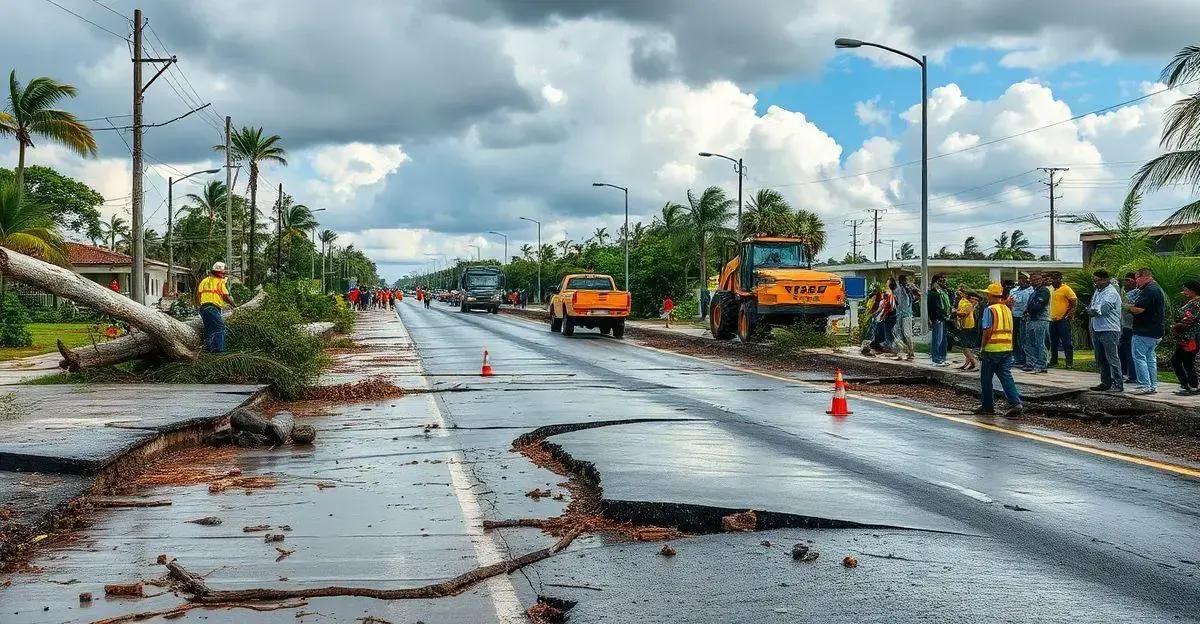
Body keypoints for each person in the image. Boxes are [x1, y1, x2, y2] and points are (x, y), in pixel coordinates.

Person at [975, 282, 1023, 417]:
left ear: (990, 295)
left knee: (986, 378)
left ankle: (988, 406)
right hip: (1007, 348)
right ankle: (1016, 403)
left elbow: (987, 330)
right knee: (1006, 376)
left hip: (992, 349)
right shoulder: (1006, 309)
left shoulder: (990, 309)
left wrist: (982, 348)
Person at [1126, 267, 1166, 394]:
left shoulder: (1149, 290)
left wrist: (1127, 307)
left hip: (1144, 330)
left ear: (1144, 277)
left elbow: (1139, 309)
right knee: (1150, 358)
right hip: (1155, 330)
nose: (1135, 281)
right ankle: (1152, 384)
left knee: (1139, 357)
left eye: (1137, 278)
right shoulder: (1156, 288)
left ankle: (1145, 385)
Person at [1086, 269, 1124, 392]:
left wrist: (1092, 311)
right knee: (1101, 358)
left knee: (1112, 357)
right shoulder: (1098, 291)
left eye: (1097, 281)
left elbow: (1103, 310)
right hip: (1097, 328)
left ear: (1106, 280)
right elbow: (1093, 306)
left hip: (1109, 329)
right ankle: (1105, 382)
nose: (1095, 283)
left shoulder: (1111, 292)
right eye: (1094, 281)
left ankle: (1118, 384)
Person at [197, 262, 236, 353]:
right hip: (212, 308)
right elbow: (226, 296)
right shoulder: (219, 282)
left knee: (210, 330)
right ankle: (218, 353)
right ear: (219, 272)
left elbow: (199, 296)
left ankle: (208, 351)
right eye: (223, 272)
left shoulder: (204, 281)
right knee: (220, 328)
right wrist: (234, 305)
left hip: (203, 309)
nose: (224, 274)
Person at [1169, 280, 1200, 395]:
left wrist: (1175, 326)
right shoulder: (1193, 302)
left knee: (1186, 361)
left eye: (1185, 289)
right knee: (1178, 360)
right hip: (1186, 337)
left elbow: (1189, 319)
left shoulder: (1196, 303)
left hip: (1191, 337)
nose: (1184, 292)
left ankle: (1193, 386)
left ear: (1192, 290)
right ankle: (1186, 384)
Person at [1022, 273, 1051, 374]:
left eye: (1037, 280)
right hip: (1032, 319)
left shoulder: (1044, 291)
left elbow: (1038, 305)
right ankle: (1033, 363)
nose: (1035, 282)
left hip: (1040, 320)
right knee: (1030, 343)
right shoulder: (1034, 292)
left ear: (1041, 280)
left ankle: (1042, 365)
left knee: (1040, 343)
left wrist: (1028, 310)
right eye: (1033, 280)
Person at [1047, 271, 1077, 368]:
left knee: (1066, 342)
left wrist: (1070, 314)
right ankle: (1054, 361)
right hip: (1052, 320)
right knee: (1053, 342)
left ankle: (1069, 363)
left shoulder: (1066, 289)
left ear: (1060, 279)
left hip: (1063, 320)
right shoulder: (1051, 289)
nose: (1054, 281)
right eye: (1052, 279)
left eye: (1056, 279)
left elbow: (1074, 301)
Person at [927, 274, 952, 367]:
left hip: (944, 317)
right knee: (937, 338)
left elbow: (949, 302)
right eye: (940, 281)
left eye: (943, 281)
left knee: (943, 339)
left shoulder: (943, 292)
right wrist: (930, 319)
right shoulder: (932, 293)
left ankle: (942, 357)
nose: (943, 283)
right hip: (937, 318)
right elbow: (930, 308)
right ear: (935, 282)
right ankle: (936, 359)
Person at [953, 286, 980, 371]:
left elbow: (963, 314)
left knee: (965, 347)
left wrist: (955, 312)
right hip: (963, 325)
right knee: (966, 346)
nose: (957, 294)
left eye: (960, 292)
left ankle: (974, 363)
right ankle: (968, 364)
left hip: (968, 326)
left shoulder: (968, 303)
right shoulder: (962, 301)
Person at [1009, 273, 1032, 368]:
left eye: (1023, 279)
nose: (1021, 281)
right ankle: (1017, 358)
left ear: (1027, 280)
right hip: (1013, 317)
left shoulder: (1031, 291)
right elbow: (1009, 302)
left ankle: (1027, 359)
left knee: (1024, 339)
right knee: (1014, 339)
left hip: (1025, 318)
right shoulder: (1013, 291)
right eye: (1019, 279)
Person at [1119, 272, 1139, 383]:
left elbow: (1135, 307)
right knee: (1122, 350)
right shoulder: (1125, 292)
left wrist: (1123, 305)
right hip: (1125, 326)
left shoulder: (1135, 293)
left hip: (1131, 327)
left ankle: (1133, 376)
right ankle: (1124, 373)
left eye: (1127, 280)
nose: (1125, 283)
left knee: (1130, 351)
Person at [891, 274, 916, 361]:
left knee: (906, 333)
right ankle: (900, 353)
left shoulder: (907, 290)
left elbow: (913, 299)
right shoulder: (898, 288)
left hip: (906, 315)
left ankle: (911, 351)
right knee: (899, 334)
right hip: (899, 314)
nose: (904, 282)